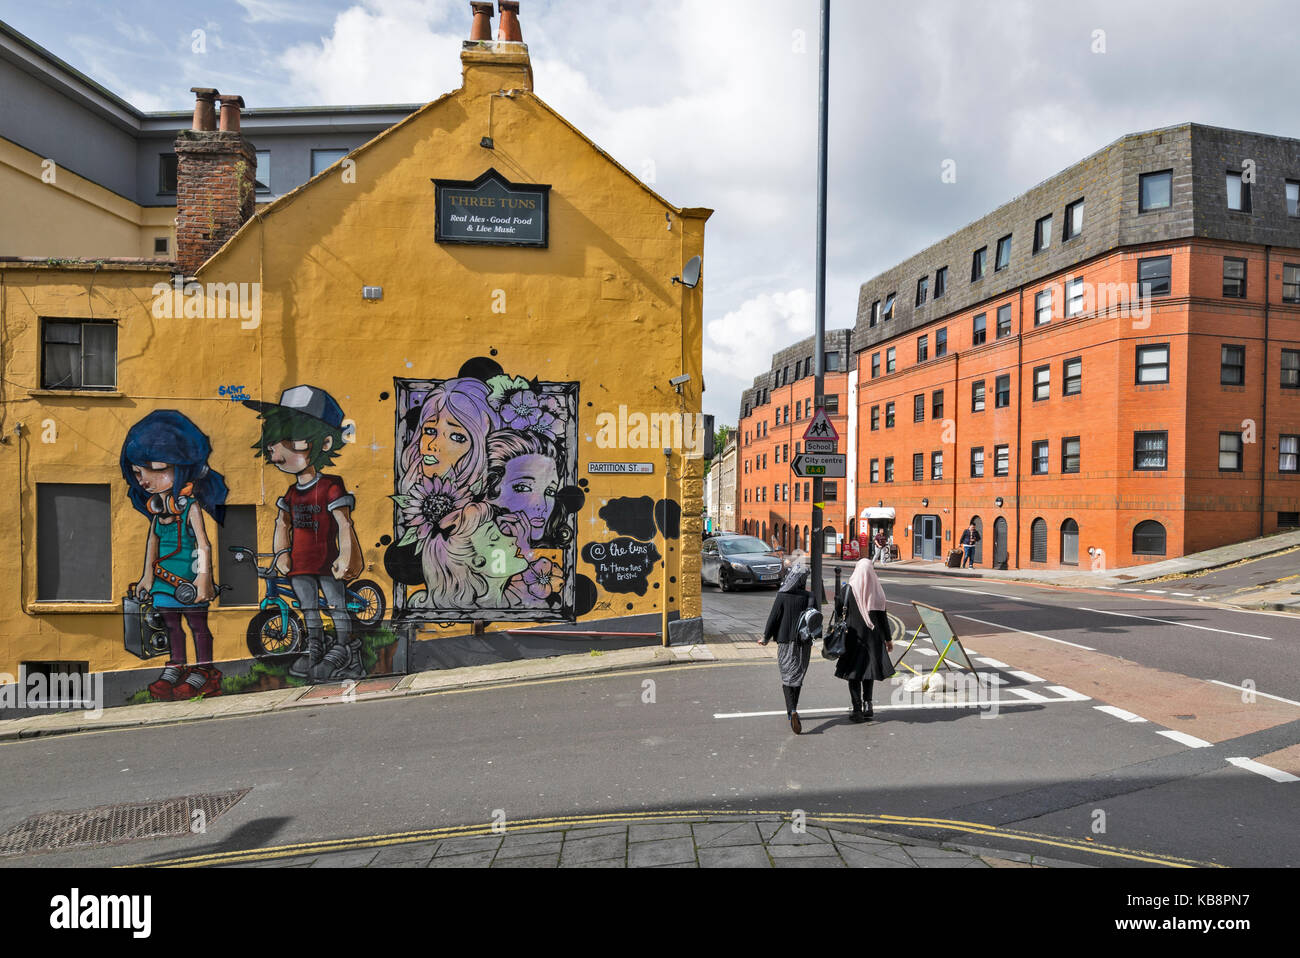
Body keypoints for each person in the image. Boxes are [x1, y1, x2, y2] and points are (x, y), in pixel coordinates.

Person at [245, 385, 365, 682]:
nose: (280, 450)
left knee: (336, 606)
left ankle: (343, 649)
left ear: (324, 443)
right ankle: (315, 648)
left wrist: (347, 555)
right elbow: (282, 524)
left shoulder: (331, 485)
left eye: (293, 441)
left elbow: (344, 523)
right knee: (309, 609)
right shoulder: (290, 492)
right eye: (276, 442)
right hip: (299, 563)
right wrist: (282, 554)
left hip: (327, 562)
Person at [122, 411, 229, 701]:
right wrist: (146, 577)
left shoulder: (190, 507)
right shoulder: (159, 513)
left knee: (197, 624)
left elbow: (204, 544)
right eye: (137, 473)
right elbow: (152, 545)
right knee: (170, 624)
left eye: (154, 469)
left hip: (189, 581)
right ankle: (176, 666)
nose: (143, 480)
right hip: (163, 581)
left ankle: (205, 671)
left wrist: (204, 579)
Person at [834, 558, 895, 722]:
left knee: (854, 674)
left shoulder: (847, 590)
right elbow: (883, 619)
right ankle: (868, 706)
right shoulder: (877, 591)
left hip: (853, 638)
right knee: (868, 672)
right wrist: (888, 640)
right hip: (873, 639)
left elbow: (839, 611)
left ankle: (857, 710)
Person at [761, 561, 816, 734]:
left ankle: (791, 710)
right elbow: (813, 620)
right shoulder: (809, 596)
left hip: (785, 641)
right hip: (803, 642)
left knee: (787, 676)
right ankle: (793, 709)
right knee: (797, 675)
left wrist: (765, 637)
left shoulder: (782, 595)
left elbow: (773, 618)